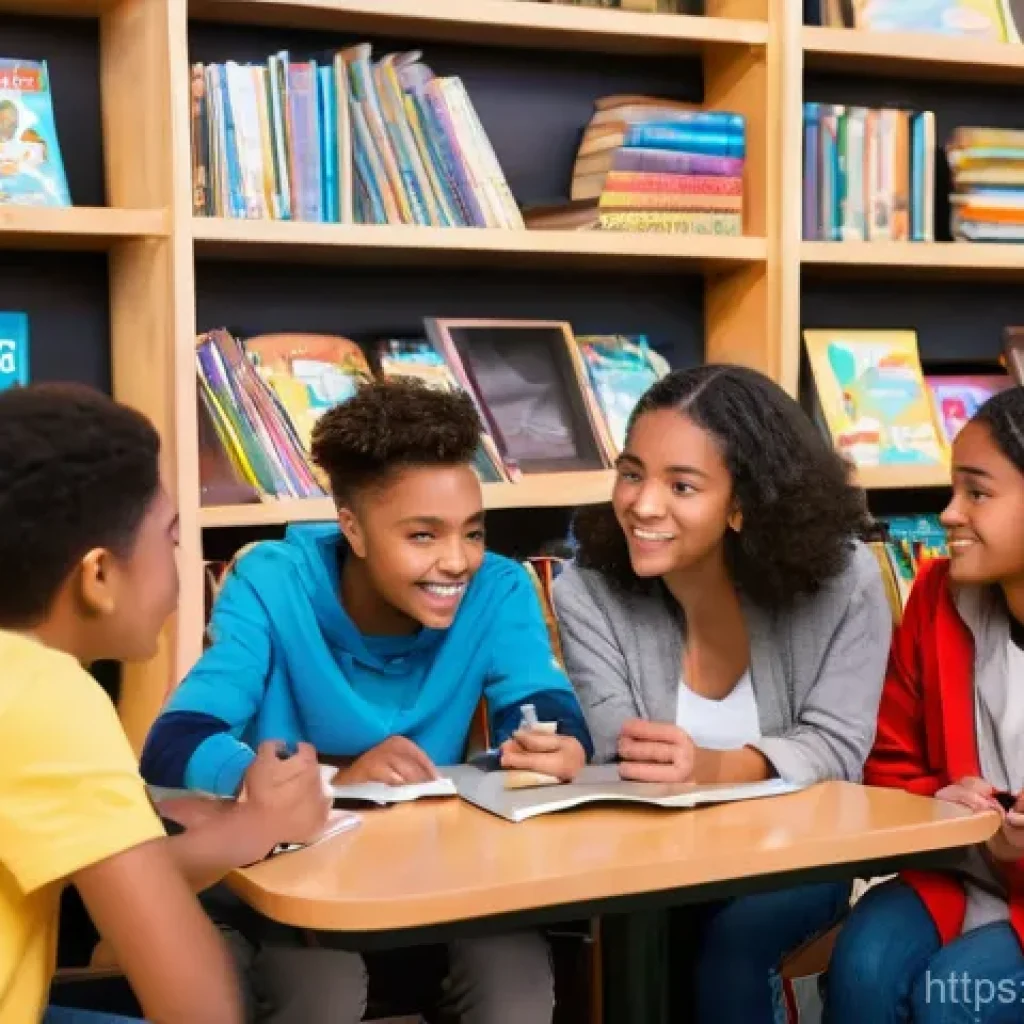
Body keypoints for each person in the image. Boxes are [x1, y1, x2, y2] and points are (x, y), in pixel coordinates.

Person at [141, 377, 593, 1024]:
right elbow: (175, 741)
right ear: (351, 527)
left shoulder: (498, 588)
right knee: (318, 981)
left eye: (472, 532)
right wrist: (325, 782)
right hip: (289, 878)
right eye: (423, 536)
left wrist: (557, 742)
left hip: (440, 876)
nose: (458, 561)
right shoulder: (271, 579)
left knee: (512, 968)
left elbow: (541, 702)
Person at [551, 364, 892, 1023]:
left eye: (681, 485)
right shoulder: (586, 591)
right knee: (630, 935)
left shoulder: (844, 580)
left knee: (733, 948)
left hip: (797, 853)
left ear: (743, 504)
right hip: (649, 859)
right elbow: (621, 753)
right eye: (631, 473)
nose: (643, 505)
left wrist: (714, 768)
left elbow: (838, 746)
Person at [0, 383, 330, 1024]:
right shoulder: (43, 694)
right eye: (171, 537)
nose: (177, 569)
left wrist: (234, 829)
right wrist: (256, 827)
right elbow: (199, 1009)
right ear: (99, 575)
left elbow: (81, 883)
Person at [826, 387, 1024, 1024]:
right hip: (964, 876)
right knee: (864, 960)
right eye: (952, 488)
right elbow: (886, 765)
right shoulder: (936, 595)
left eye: (977, 493)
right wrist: (939, 799)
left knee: (954, 995)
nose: (948, 513)